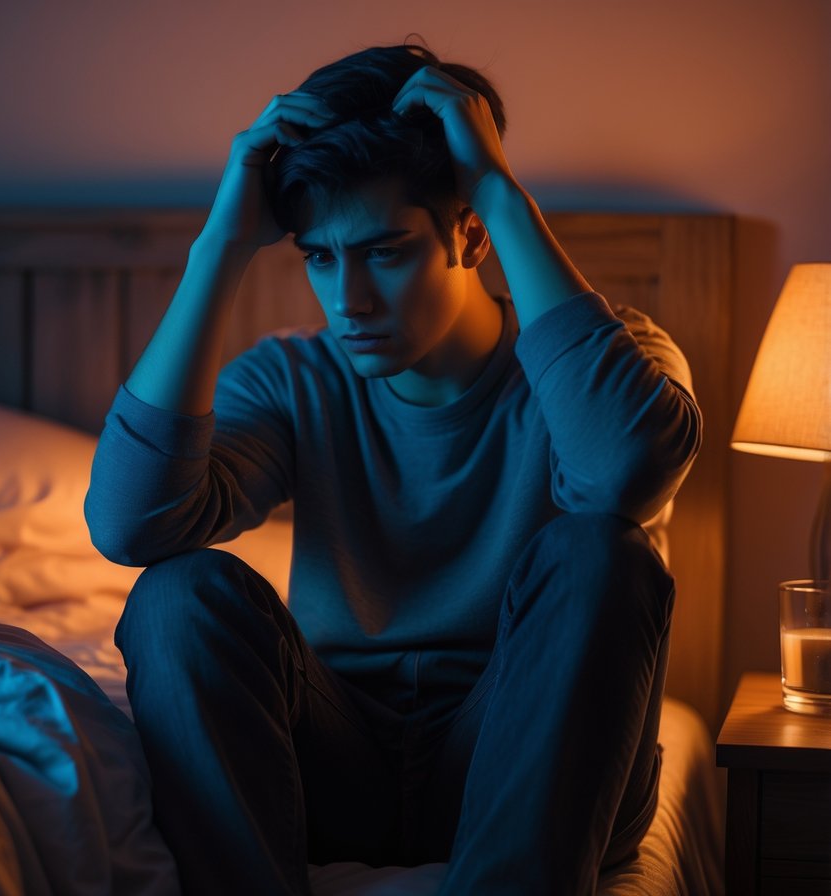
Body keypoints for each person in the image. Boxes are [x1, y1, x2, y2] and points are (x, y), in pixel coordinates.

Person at [85, 42, 701, 895]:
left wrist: (496, 188)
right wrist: (219, 247)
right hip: (340, 765)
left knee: (603, 552)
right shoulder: (292, 378)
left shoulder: (613, 358)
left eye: (385, 251)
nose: (350, 301)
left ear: (470, 235)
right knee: (176, 593)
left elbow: (623, 472)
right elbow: (131, 525)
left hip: (527, 757)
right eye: (320, 258)